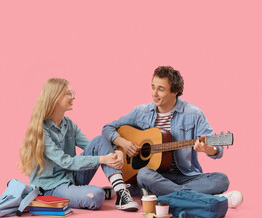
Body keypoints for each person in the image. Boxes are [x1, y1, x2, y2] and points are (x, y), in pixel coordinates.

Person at [102, 66, 243, 208]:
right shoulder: (141, 112)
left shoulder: (194, 113)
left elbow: (217, 149)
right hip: (157, 176)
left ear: (175, 91)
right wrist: (124, 143)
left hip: (187, 176)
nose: (154, 94)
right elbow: (108, 128)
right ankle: (206, 197)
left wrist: (208, 148)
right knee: (143, 174)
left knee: (222, 179)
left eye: (161, 89)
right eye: (153, 87)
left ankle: (165, 194)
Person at [19, 78, 139, 211]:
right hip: (52, 188)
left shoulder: (68, 124)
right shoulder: (42, 130)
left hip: (71, 178)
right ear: (56, 98)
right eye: (68, 93)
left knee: (100, 139)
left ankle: (121, 191)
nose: (73, 97)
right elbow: (65, 161)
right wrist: (102, 159)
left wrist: (117, 153)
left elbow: (96, 146)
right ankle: (106, 192)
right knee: (96, 195)